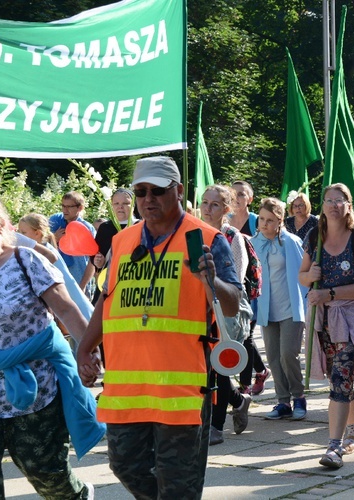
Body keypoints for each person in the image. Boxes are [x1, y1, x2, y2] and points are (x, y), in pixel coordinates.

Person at [76, 156, 242, 499]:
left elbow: (232, 303)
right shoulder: (123, 242)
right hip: (127, 388)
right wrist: (84, 348)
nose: (148, 199)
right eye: (141, 192)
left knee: (177, 484)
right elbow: (106, 302)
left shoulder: (206, 239)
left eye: (157, 191)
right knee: (124, 466)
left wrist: (211, 280)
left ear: (178, 191)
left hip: (181, 389)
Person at [0, 190, 104, 498]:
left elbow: (66, 308)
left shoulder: (25, 260)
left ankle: (78, 495)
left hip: (37, 391)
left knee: (47, 475)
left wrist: (87, 352)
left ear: (1, 223)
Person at [299, 183, 354, 469]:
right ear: (322, 205)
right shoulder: (314, 236)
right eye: (329, 200)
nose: (333, 205)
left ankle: (334, 447)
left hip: (351, 317)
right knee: (339, 379)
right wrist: (311, 275)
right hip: (324, 318)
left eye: (339, 200)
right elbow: (301, 277)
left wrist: (329, 293)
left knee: (342, 376)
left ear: (348, 205)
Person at [200, 185, 254, 445]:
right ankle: (238, 399)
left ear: (227, 209)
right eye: (205, 203)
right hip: (199, 308)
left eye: (215, 205)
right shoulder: (194, 233)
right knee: (206, 367)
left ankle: (216, 425)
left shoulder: (233, 237)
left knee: (219, 366)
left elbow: (236, 280)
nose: (208, 209)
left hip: (225, 309)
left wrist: (215, 291)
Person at [252, 198, 308, 420]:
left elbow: (303, 273)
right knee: (274, 357)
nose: (264, 224)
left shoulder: (291, 242)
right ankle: (283, 401)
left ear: (280, 221)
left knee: (288, 354)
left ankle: (299, 396)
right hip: (267, 309)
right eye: (262, 219)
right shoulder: (254, 242)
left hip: (290, 308)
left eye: (270, 220)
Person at [230, 180, 271, 395]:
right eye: (233, 194)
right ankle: (261, 370)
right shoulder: (224, 221)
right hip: (230, 284)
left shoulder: (256, 221)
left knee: (246, 334)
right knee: (244, 335)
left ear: (250, 199)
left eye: (241, 194)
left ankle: (245, 385)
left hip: (252, 285)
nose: (237, 198)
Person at [49, 191, 96, 294]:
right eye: (63, 206)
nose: (65, 210)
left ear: (80, 208)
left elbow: (93, 260)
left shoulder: (86, 228)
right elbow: (41, 247)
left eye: (69, 207)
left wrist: (83, 285)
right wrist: (54, 239)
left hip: (79, 280)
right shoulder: (55, 223)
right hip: (57, 280)